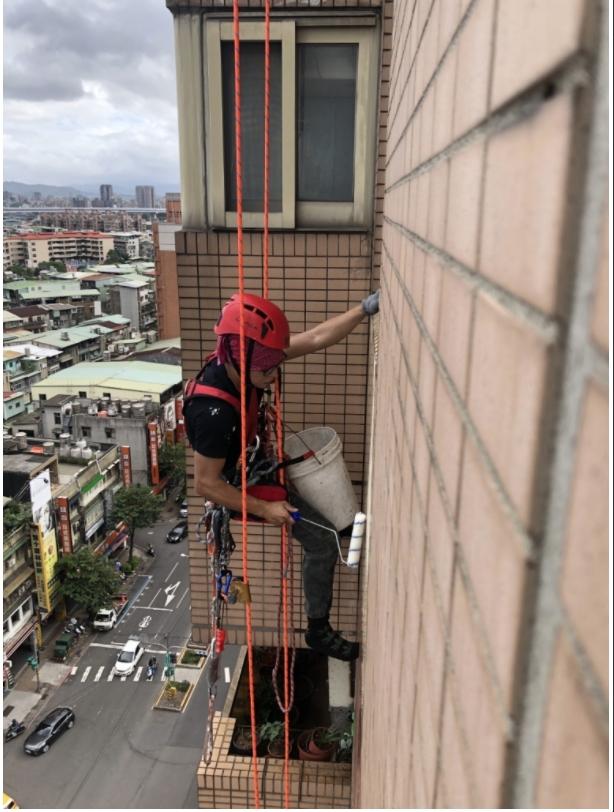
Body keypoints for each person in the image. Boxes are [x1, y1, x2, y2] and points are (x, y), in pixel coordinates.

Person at [184, 291, 380, 661]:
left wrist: (364, 309)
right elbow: (206, 485)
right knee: (319, 543)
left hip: (258, 460)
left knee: (319, 497)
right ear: (240, 362)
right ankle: (318, 630)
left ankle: (339, 528)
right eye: (266, 370)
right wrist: (263, 507)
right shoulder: (212, 412)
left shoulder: (253, 357)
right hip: (240, 486)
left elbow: (317, 337)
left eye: (275, 364)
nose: (273, 373)